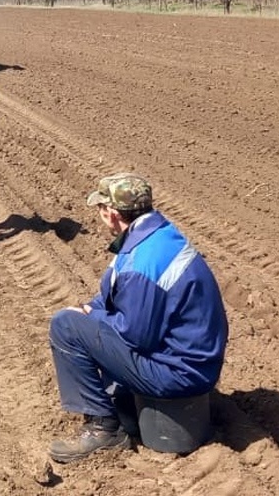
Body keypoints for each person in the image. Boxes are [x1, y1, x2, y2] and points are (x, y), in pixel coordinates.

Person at [47, 172, 229, 463]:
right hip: (191, 362)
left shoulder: (143, 261)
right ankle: (125, 410)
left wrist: (89, 320)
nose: (99, 216)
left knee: (65, 326)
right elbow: (117, 299)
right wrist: (92, 311)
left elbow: (134, 335)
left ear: (112, 213)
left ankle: (104, 429)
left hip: (179, 373)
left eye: (100, 209)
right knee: (81, 322)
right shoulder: (155, 236)